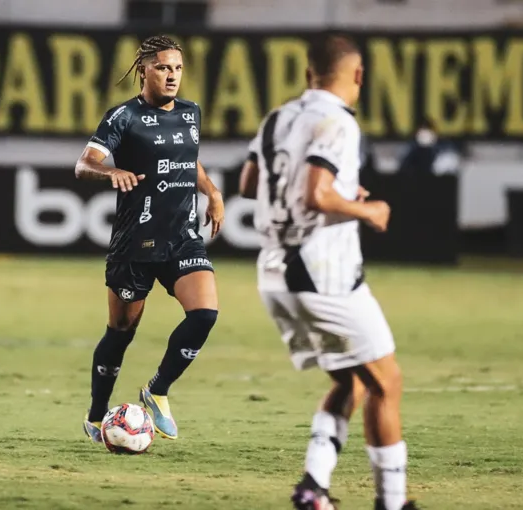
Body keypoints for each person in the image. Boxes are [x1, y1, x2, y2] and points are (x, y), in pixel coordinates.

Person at [239, 34, 418, 510]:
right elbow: (317, 194)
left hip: (274, 273)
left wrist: (339, 192)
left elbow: (249, 183)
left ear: (307, 74)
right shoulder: (338, 122)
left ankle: (313, 488)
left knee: (352, 380)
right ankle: (393, 503)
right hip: (322, 272)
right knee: (387, 381)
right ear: (358, 75)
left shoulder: (278, 117)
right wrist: (368, 210)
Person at [74, 35, 224, 442]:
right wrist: (111, 173)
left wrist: (211, 191)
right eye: (163, 68)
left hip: (181, 238)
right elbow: (84, 164)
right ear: (144, 70)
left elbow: (187, 157)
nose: (172, 75)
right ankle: (95, 415)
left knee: (205, 313)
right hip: (135, 242)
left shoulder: (191, 113)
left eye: (177, 68)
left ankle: (157, 391)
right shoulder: (123, 117)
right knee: (121, 332)